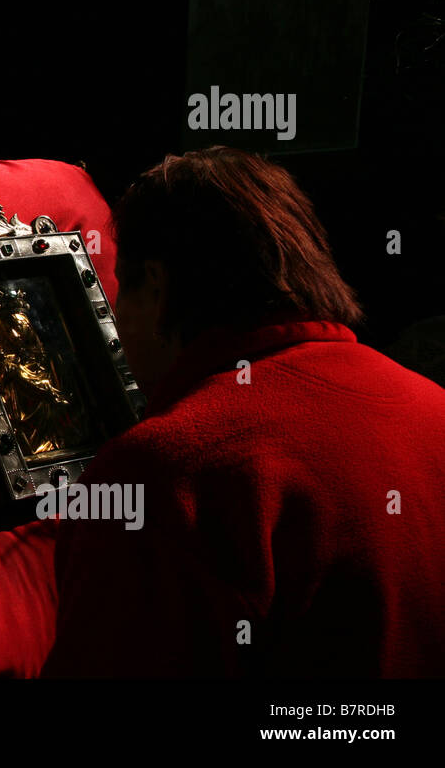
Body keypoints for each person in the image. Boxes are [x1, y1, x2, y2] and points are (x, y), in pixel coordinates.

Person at [35, 146, 445, 676]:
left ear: (155, 286)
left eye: (120, 291)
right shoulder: (433, 407)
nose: (115, 317)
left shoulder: (158, 478)